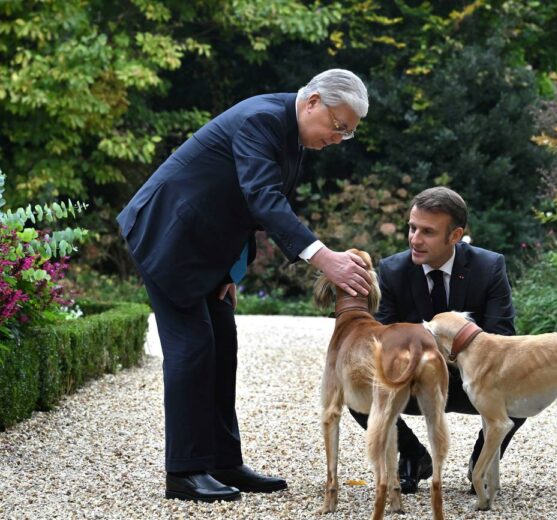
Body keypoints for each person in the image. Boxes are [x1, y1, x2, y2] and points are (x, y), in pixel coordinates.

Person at [117, 69, 372, 503]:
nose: (338, 139)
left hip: (204, 247)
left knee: (224, 342)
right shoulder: (262, 120)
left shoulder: (293, 135)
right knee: (193, 347)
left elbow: (246, 209)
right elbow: (262, 199)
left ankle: (221, 461)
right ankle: (184, 471)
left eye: (347, 134)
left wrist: (229, 272)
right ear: (312, 102)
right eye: (338, 126)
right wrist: (323, 257)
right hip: (168, 235)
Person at [349, 186, 526, 494]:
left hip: (470, 381)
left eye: (428, 232)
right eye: (412, 227)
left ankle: (480, 465)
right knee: (359, 387)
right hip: (414, 382)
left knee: (523, 394)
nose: (415, 239)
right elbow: (379, 340)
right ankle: (414, 455)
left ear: (455, 235)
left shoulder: (489, 266)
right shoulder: (393, 269)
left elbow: (502, 338)